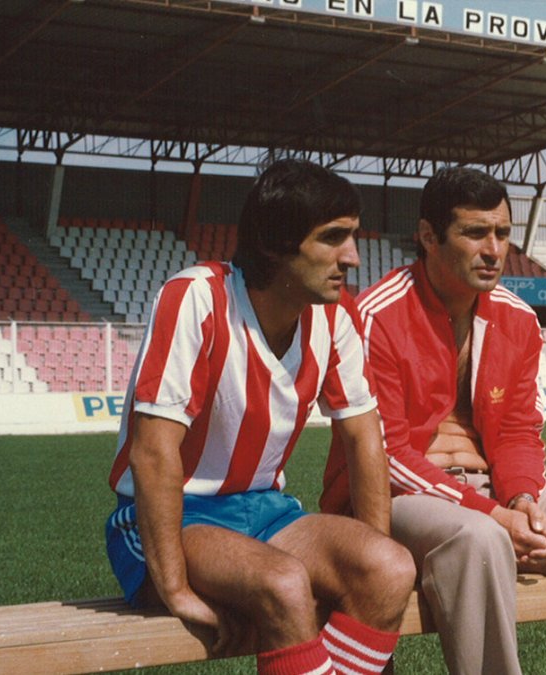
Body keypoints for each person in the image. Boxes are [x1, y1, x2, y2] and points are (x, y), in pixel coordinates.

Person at [321, 166, 546, 675]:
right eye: (475, 233)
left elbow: (517, 430)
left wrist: (522, 500)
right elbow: (383, 454)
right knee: (480, 538)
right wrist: (492, 514)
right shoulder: (377, 314)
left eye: (503, 233)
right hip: (397, 504)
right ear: (428, 236)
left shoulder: (517, 317)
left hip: (492, 496)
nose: (494, 250)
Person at [104, 159, 416, 675]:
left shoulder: (335, 316)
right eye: (333, 238)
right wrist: (175, 587)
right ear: (275, 243)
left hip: (266, 512)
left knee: (389, 566)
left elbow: (364, 439)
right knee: (285, 584)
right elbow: (152, 449)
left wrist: (370, 547)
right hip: (174, 517)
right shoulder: (198, 298)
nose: (353, 257)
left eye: (353, 237)